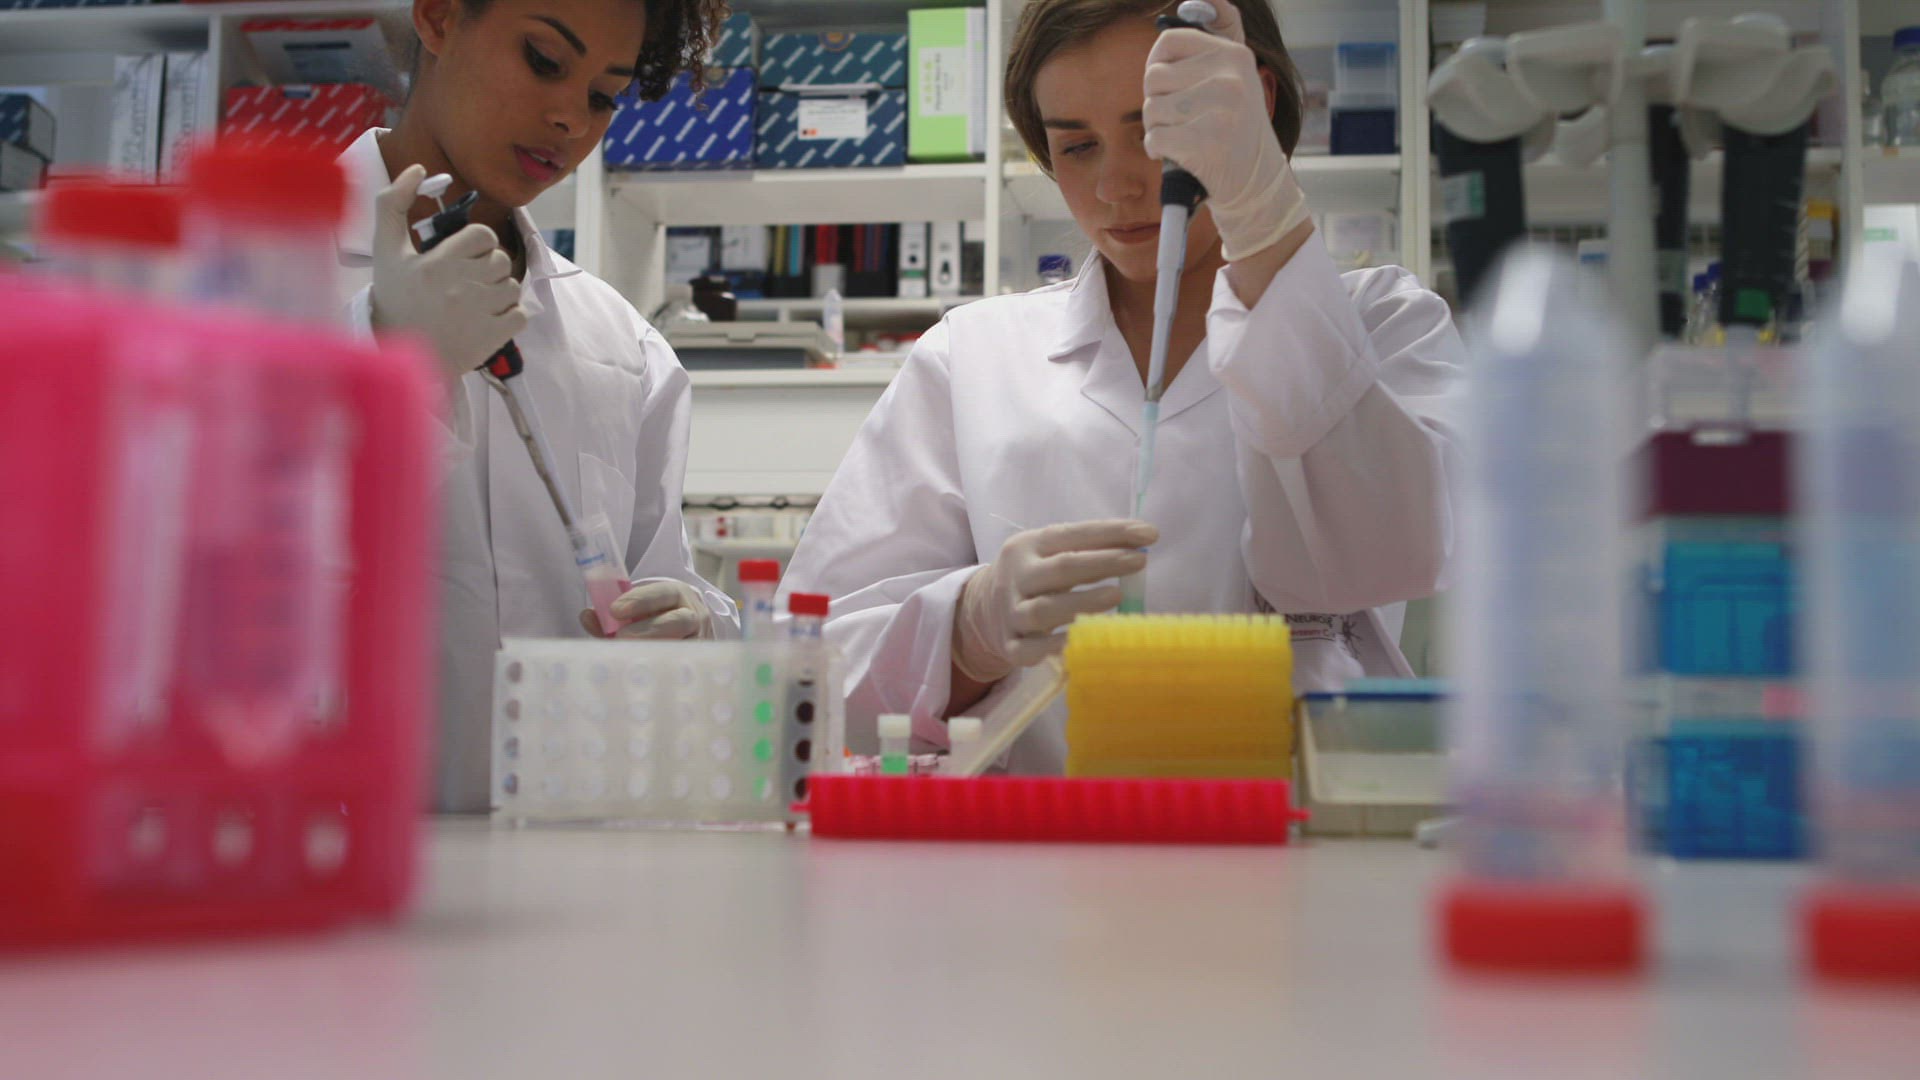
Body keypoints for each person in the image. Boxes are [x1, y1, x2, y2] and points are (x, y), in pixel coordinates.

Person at [778, 0, 1466, 772]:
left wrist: (1263, 214)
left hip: (1301, 833)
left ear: (1252, 99)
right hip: (1043, 837)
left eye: (1151, 131)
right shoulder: (970, 357)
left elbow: (1399, 553)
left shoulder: (1383, 324)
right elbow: (809, 666)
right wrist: (967, 629)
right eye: (1077, 146)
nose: (1115, 185)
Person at [334, 0, 738, 810]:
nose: (569, 120)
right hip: (327, 846)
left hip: (561, 857)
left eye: (603, 96)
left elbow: (665, 585)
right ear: (439, 16)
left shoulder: (623, 349)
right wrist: (390, 364)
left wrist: (693, 628)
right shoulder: (250, 280)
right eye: (544, 60)